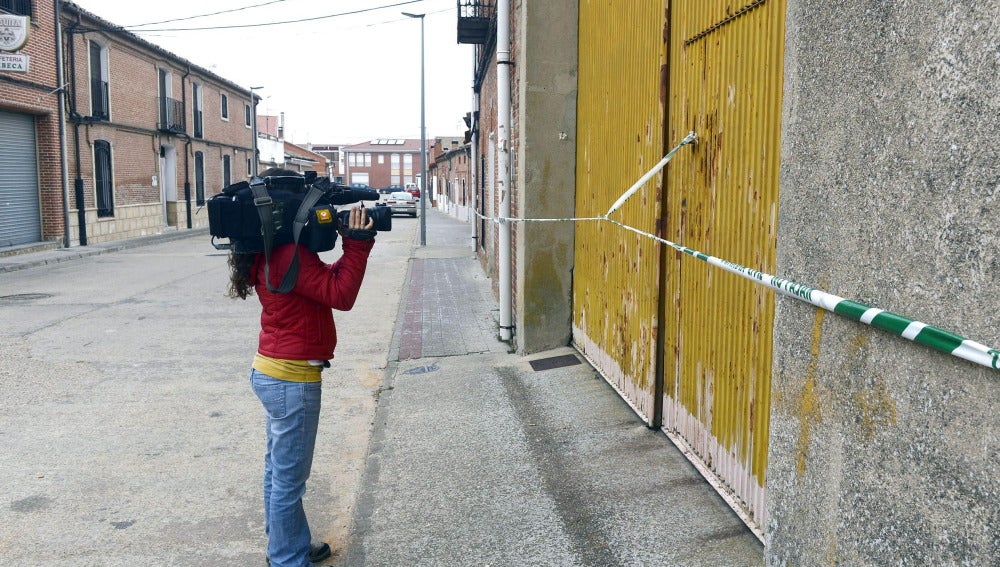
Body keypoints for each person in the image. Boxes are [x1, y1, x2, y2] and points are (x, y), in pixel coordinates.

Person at [227, 168, 376, 567]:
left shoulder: (275, 248)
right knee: (289, 480)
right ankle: (287, 559)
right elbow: (340, 295)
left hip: (275, 372)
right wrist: (358, 243)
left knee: (278, 472)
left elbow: (318, 283)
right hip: (291, 379)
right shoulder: (288, 252)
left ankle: (286, 543)